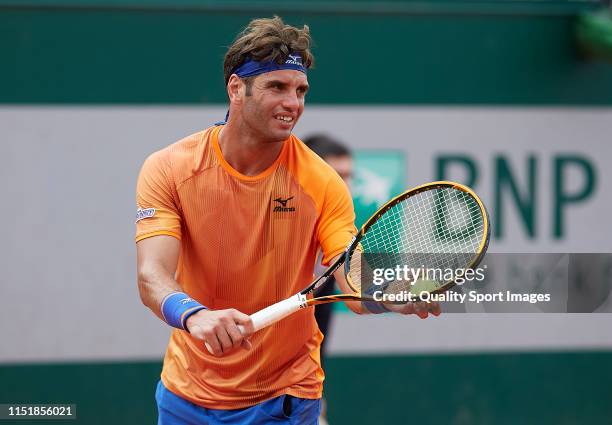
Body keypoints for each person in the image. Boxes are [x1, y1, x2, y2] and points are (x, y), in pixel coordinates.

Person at [135, 16, 440, 425]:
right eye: (276, 87)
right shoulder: (169, 168)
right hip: (185, 394)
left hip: (284, 397)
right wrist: (196, 314)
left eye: (300, 90)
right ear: (236, 89)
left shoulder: (322, 183)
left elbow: (352, 285)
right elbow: (152, 275)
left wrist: (389, 292)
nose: (293, 103)